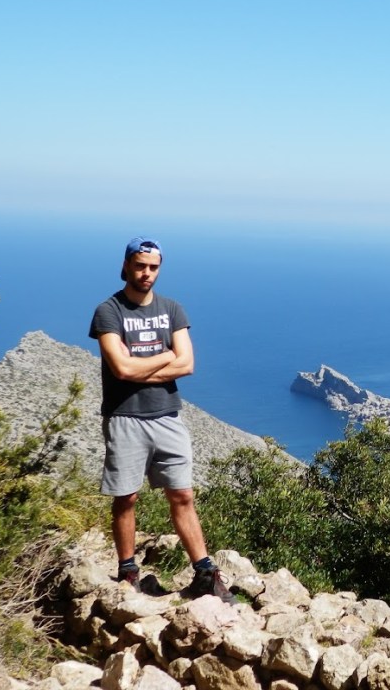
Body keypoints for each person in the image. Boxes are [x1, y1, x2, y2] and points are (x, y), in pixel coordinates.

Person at [89, 237, 233, 602]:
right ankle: (128, 572)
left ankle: (204, 572)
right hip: (125, 417)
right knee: (127, 497)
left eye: (153, 267)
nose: (146, 273)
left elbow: (187, 364)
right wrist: (164, 357)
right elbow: (120, 368)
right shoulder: (109, 311)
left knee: (182, 493)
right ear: (126, 265)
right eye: (140, 265)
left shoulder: (172, 310)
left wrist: (141, 368)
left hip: (167, 415)